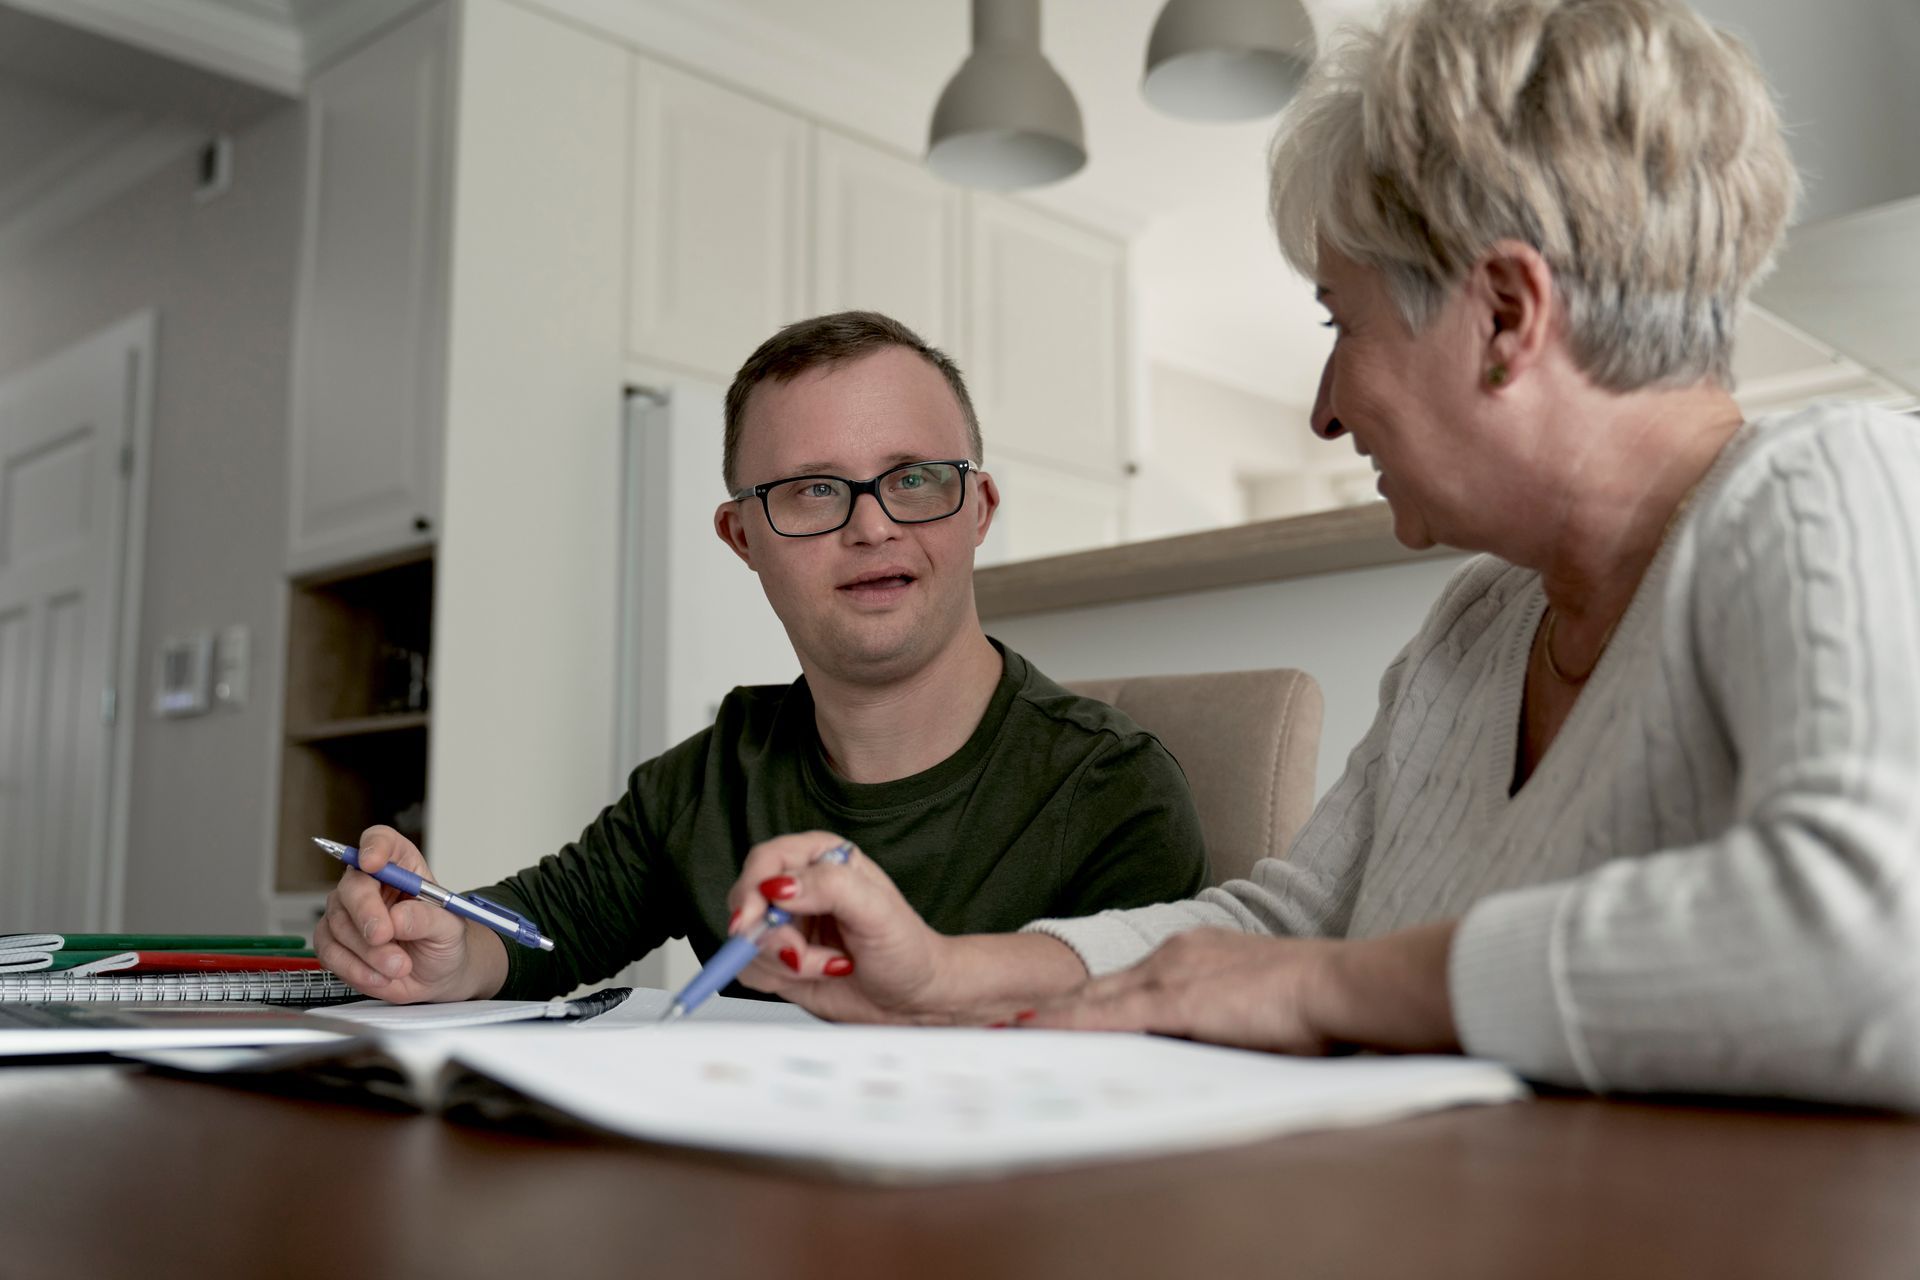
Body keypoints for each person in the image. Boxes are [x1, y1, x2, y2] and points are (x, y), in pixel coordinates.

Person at [718, 0, 1920, 1109]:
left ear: (1506, 314)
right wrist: (936, 972)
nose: (1326, 409)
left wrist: (1327, 988)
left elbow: (1878, 937)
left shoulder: (1825, 485)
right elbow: (1282, 921)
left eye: (1343, 323)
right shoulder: (1479, 623)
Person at [313, 311, 1207, 1003]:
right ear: (743, 537)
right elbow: (532, 933)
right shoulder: (708, 781)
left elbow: (1124, 1053)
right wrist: (433, 951)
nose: (872, 524)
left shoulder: (1114, 793)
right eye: (813, 491)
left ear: (978, 509)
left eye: (913, 480)